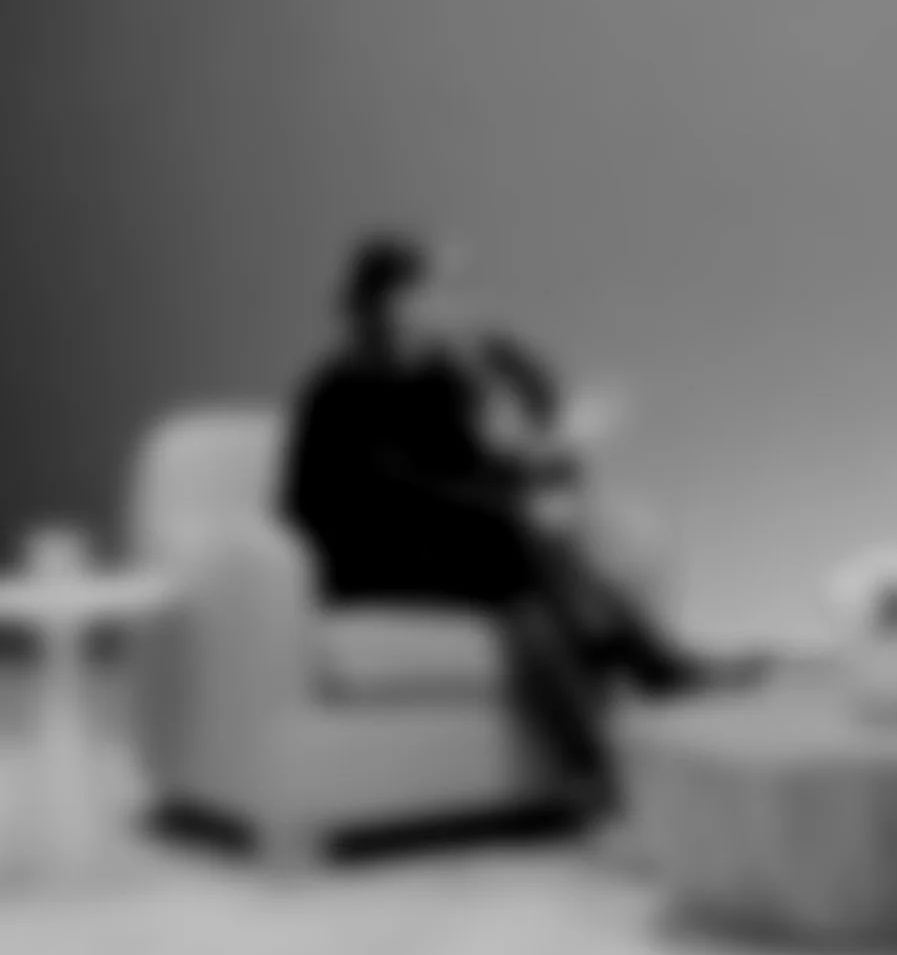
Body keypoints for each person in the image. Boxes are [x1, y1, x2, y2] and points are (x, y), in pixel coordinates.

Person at [281, 231, 758, 825]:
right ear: (397, 303)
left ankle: (597, 774)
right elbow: (399, 490)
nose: (459, 302)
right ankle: (651, 667)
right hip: (364, 557)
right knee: (516, 545)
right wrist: (513, 507)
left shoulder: (440, 381)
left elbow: (478, 470)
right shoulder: (341, 387)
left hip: (447, 547)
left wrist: (556, 451)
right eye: (442, 289)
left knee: (522, 595)